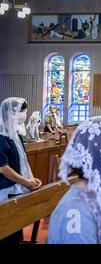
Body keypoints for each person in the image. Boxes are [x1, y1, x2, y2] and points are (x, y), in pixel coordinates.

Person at [0, 98, 42, 244]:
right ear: (10, 113)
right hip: (6, 188)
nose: (25, 114)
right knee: (6, 231)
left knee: (16, 228)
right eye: (22, 111)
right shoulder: (1, 136)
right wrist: (26, 182)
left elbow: (24, 159)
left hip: (18, 186)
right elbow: (3, 168)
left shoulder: (16, 134)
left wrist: (31, 178)